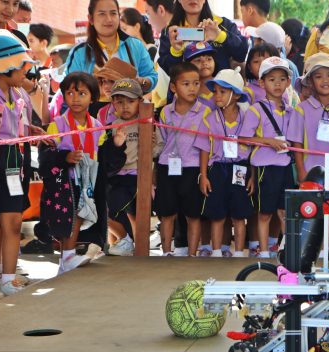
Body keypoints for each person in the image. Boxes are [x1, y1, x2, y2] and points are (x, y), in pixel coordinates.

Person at [40, 72, 112, 274]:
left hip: (88, 183)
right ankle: (68, 257)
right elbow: (46, 155)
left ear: (93, 97)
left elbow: (102, 156)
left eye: (82, 93)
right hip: (65, 183)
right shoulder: (57, 125)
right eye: (70, 93)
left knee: (78, 218)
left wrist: (116, 144)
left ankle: (66, 259)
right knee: (69, 219)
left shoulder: (98, 127)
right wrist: (65, 158)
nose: (75, 98)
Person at [0, 30, 37, 300]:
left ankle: (7, 278)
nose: (26, 70)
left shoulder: (19, 95)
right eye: (22, 64)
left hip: (14, 161)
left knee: (14, 220)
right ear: (7, 66)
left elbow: (22, 127)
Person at [241, 57, 295, 258]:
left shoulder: (290, 110)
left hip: (285, 165)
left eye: (282, 79)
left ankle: (287, 251)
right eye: (272, 79)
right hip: (265, 167)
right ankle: (263, 252)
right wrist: (269, 141)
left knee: (284, 212)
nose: (278, 84)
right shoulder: (256, 109)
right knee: (264, 213)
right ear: (262, 83)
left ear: (288, 82)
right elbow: (244, 137)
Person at [155, 62, 211, 256]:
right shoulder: (164, 112)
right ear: (173, 87)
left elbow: (205, 147)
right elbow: (160, 142)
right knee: (167, 213)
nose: (192, 88)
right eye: (186, 84)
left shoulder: (205, 112)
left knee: (193, 214)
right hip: (166, 167)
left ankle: (192, 254)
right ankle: (167, 252)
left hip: (192, 168)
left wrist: (203, 174)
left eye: (196, 83)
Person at [196, 68, 253, 258]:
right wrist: (204, 175)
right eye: (215, 91)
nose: (217, 96)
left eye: (222, 92)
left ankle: (238, 253)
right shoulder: (210, 118)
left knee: (239, 212)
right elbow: (204, 148)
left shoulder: (247, 117)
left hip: (239, 168)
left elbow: (252, 149)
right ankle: (217, 251)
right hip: (218, 168)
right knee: (217, 212)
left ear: (236, 95)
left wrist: (252, 175)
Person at [104, 79, 160, 256]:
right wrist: (115, 144)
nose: (125, 106)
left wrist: (151, 146)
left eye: (130, 101)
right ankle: (124, 240)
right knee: (106, 210)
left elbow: (159, 149)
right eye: (120, 102)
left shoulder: (148, 123)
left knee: (138, 215)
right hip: (117, 177)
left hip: (140, 176)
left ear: (140, 102)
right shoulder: (111, 126)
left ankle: (139, 249)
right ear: (113, 103)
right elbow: (106, 155)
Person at [66, 0, 157, 94]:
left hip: (128, 107)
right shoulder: (79, 53)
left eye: (113, 13)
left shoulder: (135, 45)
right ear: (91, 19)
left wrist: (142, 82)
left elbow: (151, 76)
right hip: (92, 108)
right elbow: (70, 89)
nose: (109, 19)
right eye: (102, 14)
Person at [288, 53, 329, 181]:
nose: (325, 80)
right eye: (318, 77)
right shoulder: (301, 110)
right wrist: (301, 171)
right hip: (310, 174)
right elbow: (297, 145)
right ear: (311, 82)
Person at [158, 0, 248, 75]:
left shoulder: (222, 24)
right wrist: (175, 52)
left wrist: (220, 36)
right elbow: (166, 70)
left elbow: (241, 53)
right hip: (185, 94)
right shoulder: (171, 31)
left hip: (220, 92)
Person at [183, 42, 217, 109]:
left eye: (209, 59)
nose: (205, 63)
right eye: (198, 60)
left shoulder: (223, 85)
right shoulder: (184, 90)